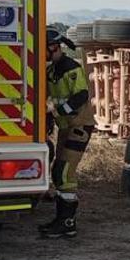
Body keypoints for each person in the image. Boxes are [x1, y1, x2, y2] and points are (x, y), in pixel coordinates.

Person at [38, 28, 95, 239]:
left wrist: (57, 110)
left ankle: (68, 223)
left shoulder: (72, 68)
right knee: (57, 172)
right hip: (66, 127)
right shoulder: (51, 71)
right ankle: (60, 220)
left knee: (64, 173)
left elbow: (81, 95)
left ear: (53, 47)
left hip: (80, 126)